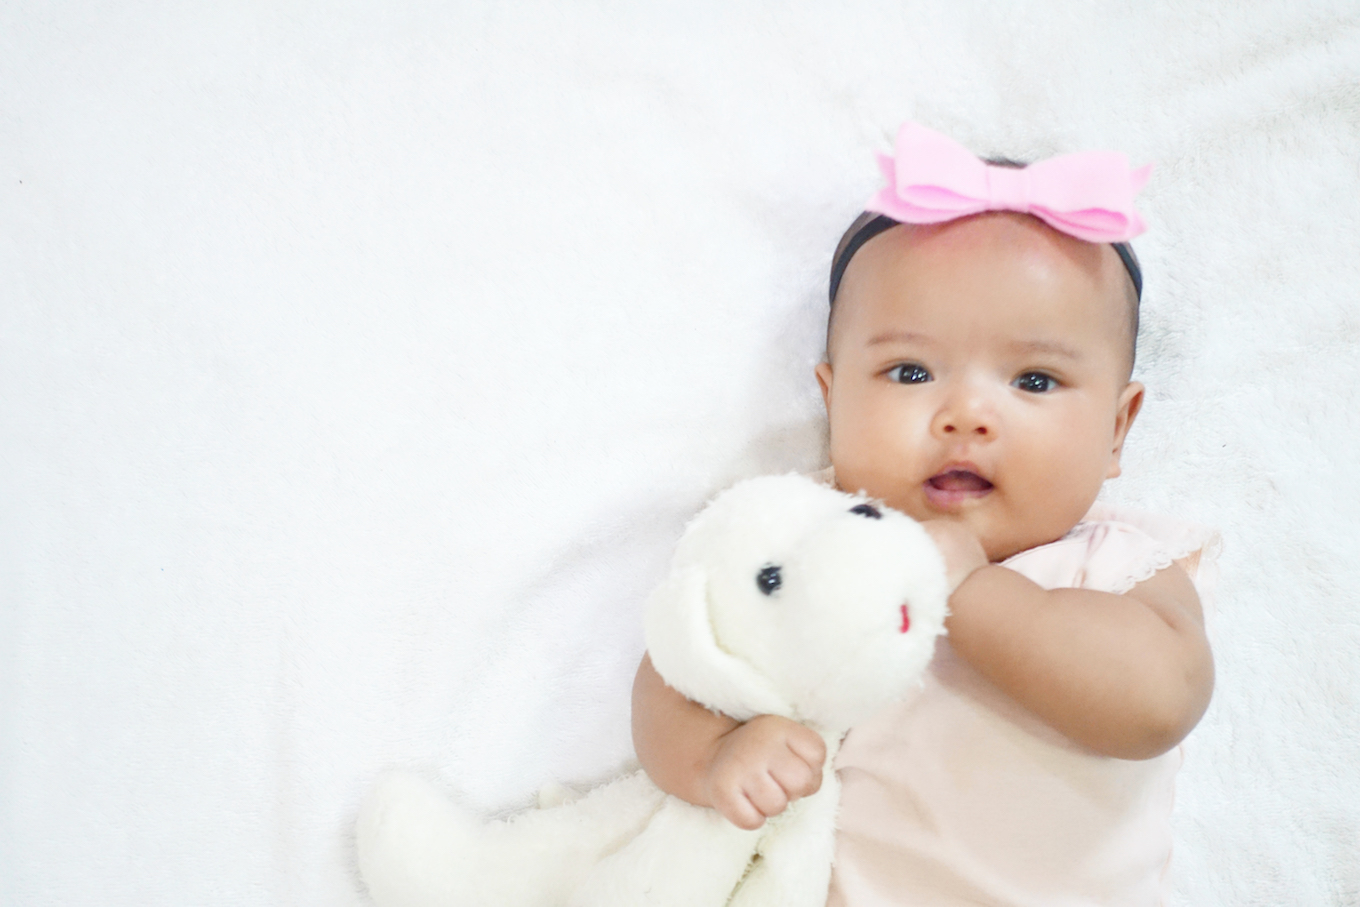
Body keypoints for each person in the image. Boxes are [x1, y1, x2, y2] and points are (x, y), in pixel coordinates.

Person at [630, 122, 1218, 905]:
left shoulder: (1117, 567)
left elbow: (1157, 703)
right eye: (910, 370)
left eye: (1034, 381)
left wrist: (967, 591)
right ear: (833, 400)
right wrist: (715, 756)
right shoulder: (806, 542)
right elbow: (680, 663)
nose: (967, 413)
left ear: (1117, 427)